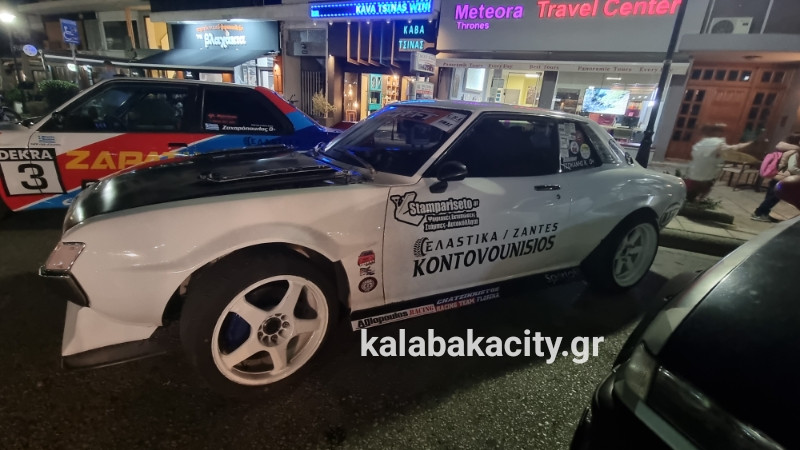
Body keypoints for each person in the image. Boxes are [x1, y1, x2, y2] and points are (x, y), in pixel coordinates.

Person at [683, 123, 754, 202]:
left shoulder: (701, 142)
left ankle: (690, 200)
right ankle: (694, 201)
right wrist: (748, 144)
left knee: (691, 191)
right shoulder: (716, 143)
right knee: (697, 192)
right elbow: (730, 149)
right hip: (706, 174)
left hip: (695, 171)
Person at [751, 134, 800, 222]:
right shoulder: (793, 152)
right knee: (772, 199)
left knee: (770, 198)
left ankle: (764, 213)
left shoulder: (786, 150)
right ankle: (758, 214)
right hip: (782, 179)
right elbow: (792, 168)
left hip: (777, 178)